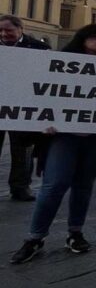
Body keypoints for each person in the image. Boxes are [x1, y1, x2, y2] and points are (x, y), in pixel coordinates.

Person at [10, 24, 96, 265]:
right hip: (64, 136)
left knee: (84, 185)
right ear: (82, 39)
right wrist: (45, 121)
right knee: (54, 185)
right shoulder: (63, 61)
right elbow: (42, 93)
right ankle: (35, 237)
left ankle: (75, 232)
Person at [0, 14, 50, 201]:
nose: (4, 34)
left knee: (22, 150)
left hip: (24, 106)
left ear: (20, 29)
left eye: (9, 30)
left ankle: (21, 187)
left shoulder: (40, 48)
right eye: (1, 31)